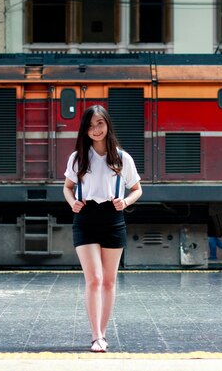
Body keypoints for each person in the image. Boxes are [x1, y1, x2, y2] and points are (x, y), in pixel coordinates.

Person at [63, 105, 142, 353]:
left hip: (113, 218)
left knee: (109, 281)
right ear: (85, 130)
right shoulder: (77, 158)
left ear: (107, 125)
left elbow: (137, 189)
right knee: (94, 279)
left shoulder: (122, 157)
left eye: (99, 124)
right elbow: (66, 187)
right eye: (90, 125)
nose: (95, 130)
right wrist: (72, 202)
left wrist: (125, 202)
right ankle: (95, 336)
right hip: (85, 218)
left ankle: (103, 334)